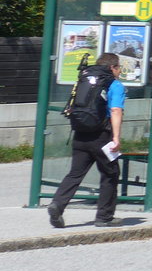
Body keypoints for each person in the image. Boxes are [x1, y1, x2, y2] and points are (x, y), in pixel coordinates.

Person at [47, 52, 126, 228]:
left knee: (75, 173)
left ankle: (57, 204)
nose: (120, 71)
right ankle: (104, 217)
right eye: (118, 67)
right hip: (102, 136)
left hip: (80, 133)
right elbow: (115, 111)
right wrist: (116, 138)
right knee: (110, 174)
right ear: (112, 67)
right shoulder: (114, 84)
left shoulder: (85, 79)